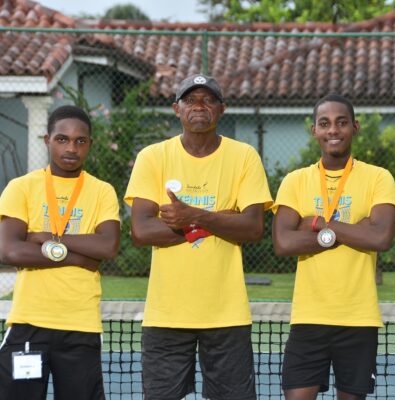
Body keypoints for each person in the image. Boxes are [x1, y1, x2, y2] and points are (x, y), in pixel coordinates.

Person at [124, 73, 273, 400]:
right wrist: (219, 220)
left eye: (208, 100)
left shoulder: (244, 156)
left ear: (222, 109)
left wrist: (191, 216)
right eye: (191, 100)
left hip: (227, 312)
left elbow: (253, 228)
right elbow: (141, 231)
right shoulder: (153, 157)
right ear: (177, 108)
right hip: (166, 313)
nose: (199, 106)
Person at [272, 94, 395, 400]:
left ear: (355, 127)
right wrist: (356, 230)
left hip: (358, 319)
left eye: (342, 122)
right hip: (308, 318)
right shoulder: (294, 181)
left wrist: (317, 223)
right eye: (325, 123)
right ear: (313, 130)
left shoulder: (378, 178)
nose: (334, 130)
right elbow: (283, 242)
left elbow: (380, 238)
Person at [0, 105, 121, 400]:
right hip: (28, 324)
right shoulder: (21, 187)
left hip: (81, 327)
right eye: (62, 139)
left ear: (90, 144)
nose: (71, 148)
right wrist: (76, 257)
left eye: (80, 140)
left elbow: (107, 246)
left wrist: (47, 238)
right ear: (47, 140)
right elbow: (11, 252)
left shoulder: (102, 191)